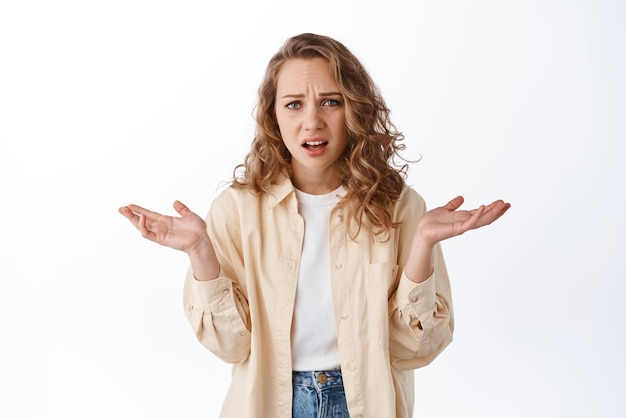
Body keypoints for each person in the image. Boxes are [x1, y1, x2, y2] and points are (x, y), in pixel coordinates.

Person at [119, 33, 510, 418]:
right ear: (274, 115)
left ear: (354, 110)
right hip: (270, 403)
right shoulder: (235, 209)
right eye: (293, 104)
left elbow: (416, 348)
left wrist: (423, 244)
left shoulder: (401, 207)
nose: (312, 121)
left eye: (330, 102)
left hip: (364, 404)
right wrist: (200, 251)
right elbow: (231, 347)